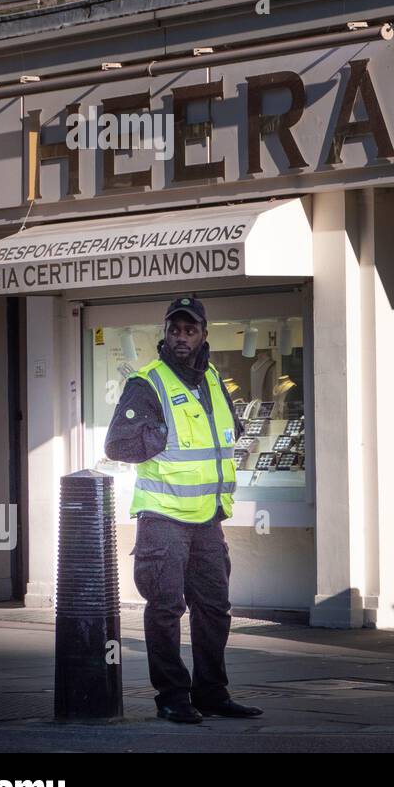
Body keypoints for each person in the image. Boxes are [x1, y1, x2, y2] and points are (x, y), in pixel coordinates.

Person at [105, 296, 262, 724]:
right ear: (165, 333)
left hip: (208, 518)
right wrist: (156, 434)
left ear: (203, 335)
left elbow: (229, 430)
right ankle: (172, 696)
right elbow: (117, 444)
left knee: (214, 607)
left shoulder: (212, 378)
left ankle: (212, 692)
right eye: (174, 329)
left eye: (189, 330)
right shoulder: (147, 383)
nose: (180, 337)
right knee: (165, 608)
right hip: (164, 518)